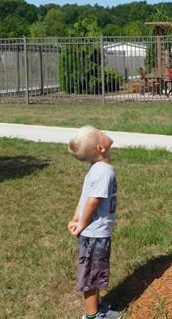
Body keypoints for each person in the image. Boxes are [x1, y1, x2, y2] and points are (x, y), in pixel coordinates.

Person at [67, 126, 119, 319]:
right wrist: (82, 224)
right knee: (91, 276)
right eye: (101, 134)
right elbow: (92, 201)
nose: (105, 133)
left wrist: (76, 219)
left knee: (95, 272)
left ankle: (96, 307)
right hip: (94, 235)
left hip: (96, 233)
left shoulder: (97, 169)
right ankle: (92, 316)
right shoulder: (103, 172)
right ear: (101, 148)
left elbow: (84, 197)